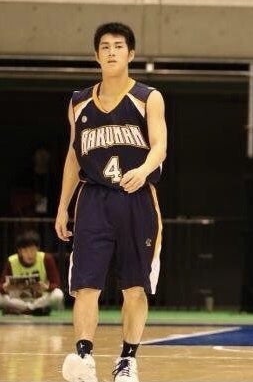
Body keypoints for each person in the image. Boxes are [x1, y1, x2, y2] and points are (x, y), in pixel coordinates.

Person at [55, 22, 167, 382]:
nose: (112, 52)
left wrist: (144, 169)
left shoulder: (148, 97)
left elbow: (160, 146)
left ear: (130, 54)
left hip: (136, 198)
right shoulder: (79, 101)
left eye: (119, 46)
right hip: (93, 198)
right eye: (105, 46)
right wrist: (63, 205)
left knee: (134, 286)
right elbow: (73, 156)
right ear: (96, 55)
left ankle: (128, 360)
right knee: (86, 283)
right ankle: (84, 357)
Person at [0, 230, 64, 315]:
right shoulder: (12, 261)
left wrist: (46, 287)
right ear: (20, 251)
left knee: (58, 294)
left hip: (39, 299)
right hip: (18, 300)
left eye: (32, 250)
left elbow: (56, 283)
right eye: (25, 251)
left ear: (37, 248)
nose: (29, 254)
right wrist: (5, 288)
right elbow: (1, 285)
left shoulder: (46, 258)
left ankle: (24, 310)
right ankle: (34, 309)